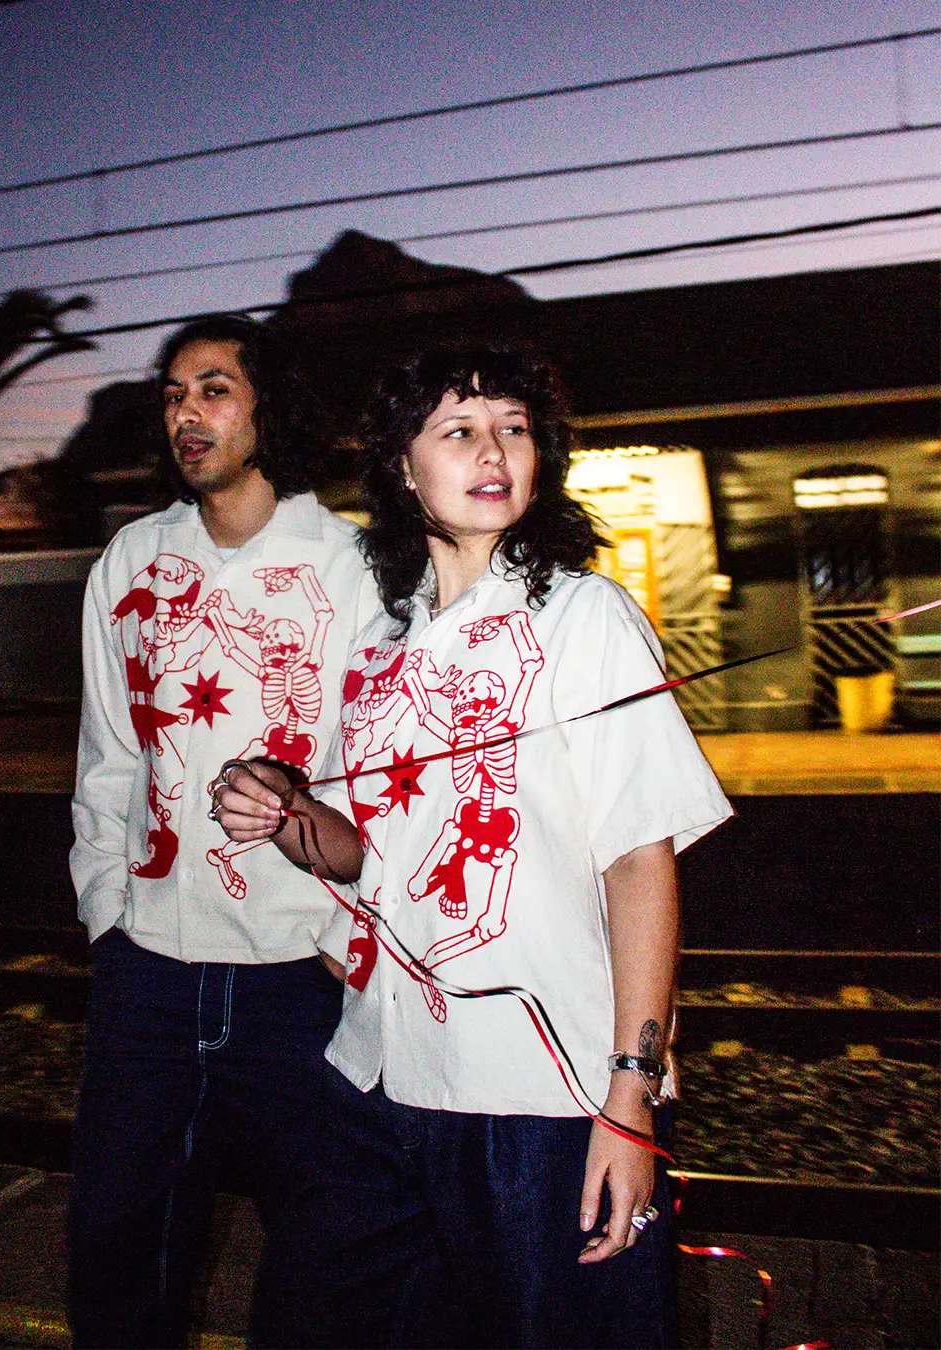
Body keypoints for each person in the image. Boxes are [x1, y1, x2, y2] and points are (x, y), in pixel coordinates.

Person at [213, 344, 733, 1349]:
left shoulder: (585, 618)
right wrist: (283, 817)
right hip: (373, 1076)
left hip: (540, 1100)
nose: (493, 451)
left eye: (515, 429)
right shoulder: (378, 647)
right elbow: (363, 856)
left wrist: (627, 1098)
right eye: (458, 430)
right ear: (404, 470)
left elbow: (638, 863)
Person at [67, 313, 380, 1350]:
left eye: (212, 389)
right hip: (146, 974)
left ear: (267, 409)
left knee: (320, 1259)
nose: (185, 415)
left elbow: (380, 777)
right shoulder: (132, 561)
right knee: (119, 1247)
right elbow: (108, 754)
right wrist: (108, 912)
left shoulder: (354, 570)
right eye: (171, 395)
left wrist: (344, 939)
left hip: (300, 976)